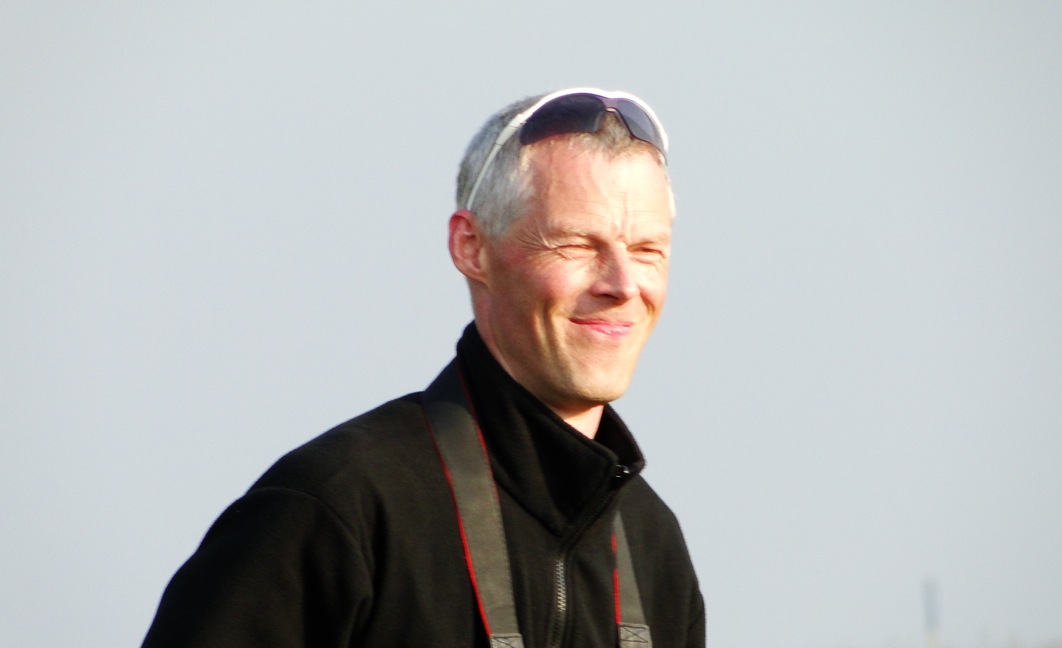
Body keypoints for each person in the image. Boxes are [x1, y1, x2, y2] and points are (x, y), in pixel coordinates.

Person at [141, 87, 705, 648]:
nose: (623, 285)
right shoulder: (341, 507)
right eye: (577, 244)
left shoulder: (652, 545)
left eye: (647, 250)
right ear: (471, 247)